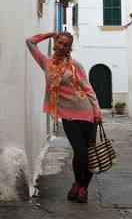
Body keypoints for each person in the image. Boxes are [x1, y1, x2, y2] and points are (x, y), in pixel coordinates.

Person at [26, 31, 102, 203]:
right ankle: (77, 183)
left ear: (69, 48)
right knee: (80, 152)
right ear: (55, 43)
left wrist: (97, 111)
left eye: (65, 45)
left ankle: (82, 187)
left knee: (89, 153)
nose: (61, 46)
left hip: (87, 112)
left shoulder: (75, 65)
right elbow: (30, 42)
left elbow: (87, 88)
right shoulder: (46, 62)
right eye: (59, 42)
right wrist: (50, 33)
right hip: (67, 115)